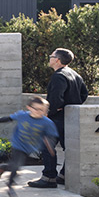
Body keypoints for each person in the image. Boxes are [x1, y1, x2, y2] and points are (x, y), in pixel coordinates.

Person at [28, 47, 88, 188]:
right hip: (70, 118)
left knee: (47, 146)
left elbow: (55, 99)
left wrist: (50, 112)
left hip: (56, 119)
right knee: (70, 147)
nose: (49, 58)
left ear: (57, 60)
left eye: (51, 55)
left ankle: (49, 178)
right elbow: (84, 95)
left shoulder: (59, 76)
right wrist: (71, 107)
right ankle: (64, 175)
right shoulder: (75, 74)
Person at [0, 96, 58, 197]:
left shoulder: (47, 122)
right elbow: (8, 118)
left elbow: (51, 135)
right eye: (35, 108)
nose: (38, 111)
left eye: (42, 110)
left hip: (29, 147)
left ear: (46, 111)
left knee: (15, 165)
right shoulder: (22, 115)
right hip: (18, 144)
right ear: (29, 107)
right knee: (16, 166)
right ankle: (10, 186)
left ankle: (2, 168)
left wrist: (50, 145)